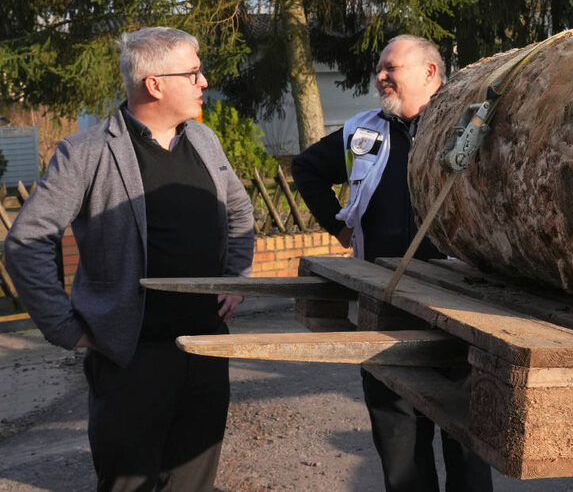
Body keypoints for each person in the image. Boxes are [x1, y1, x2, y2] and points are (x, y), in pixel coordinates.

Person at [4, 27, 255, 491]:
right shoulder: (86, 152)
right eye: (194, 72)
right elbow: (26, 241)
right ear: (155, 84)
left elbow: (239, 210)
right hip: (131, 360)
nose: (204, 82)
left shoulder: (204, 141)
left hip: (205, 348)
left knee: (193, 481)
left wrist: (236, 275)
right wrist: (64, 326)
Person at [292, 35, 493, 492]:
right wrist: (338, 227)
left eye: (391, 67)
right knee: (399, 444)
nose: (380, 75)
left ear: (429, 73)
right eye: (379, 67)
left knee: (467, 446)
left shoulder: (469, 129)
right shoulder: (362, 130)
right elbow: (306, 167)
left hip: (459, 309)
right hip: (383, 307)